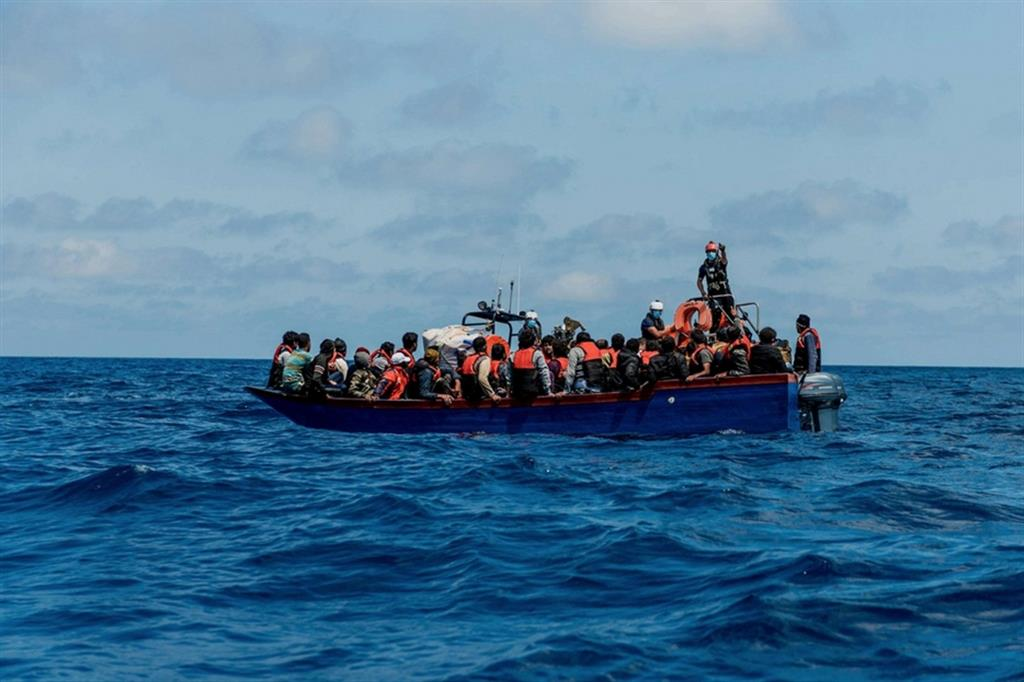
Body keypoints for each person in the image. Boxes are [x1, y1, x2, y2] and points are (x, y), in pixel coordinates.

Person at [697, 241, 734, 330]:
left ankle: (735, 330)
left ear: (716, 252)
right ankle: (714, 332)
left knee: (731, 313)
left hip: (725, 294)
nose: (710, 253)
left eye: (713, 251)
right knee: (715, 315)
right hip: (713, 296)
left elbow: (724, 260)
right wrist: (703, 293)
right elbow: (699, 281)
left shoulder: (721, 263)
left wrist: (723, 251)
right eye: (708, 251)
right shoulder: (703, 267)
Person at [511, 329, 552, 398]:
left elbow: (509, 377)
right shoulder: (537, 354)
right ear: (533, 341)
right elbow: (544, 373)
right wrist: (548, 392)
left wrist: (509, 392)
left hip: (517, 393)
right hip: (533, 392)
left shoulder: (513, 355)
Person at [459, 337, 500, 403]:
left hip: (467, 395)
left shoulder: (468, 358)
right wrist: (492, 395)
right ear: (484, 346)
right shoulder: (484, 359)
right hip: (478, 395)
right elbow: (482, 378)